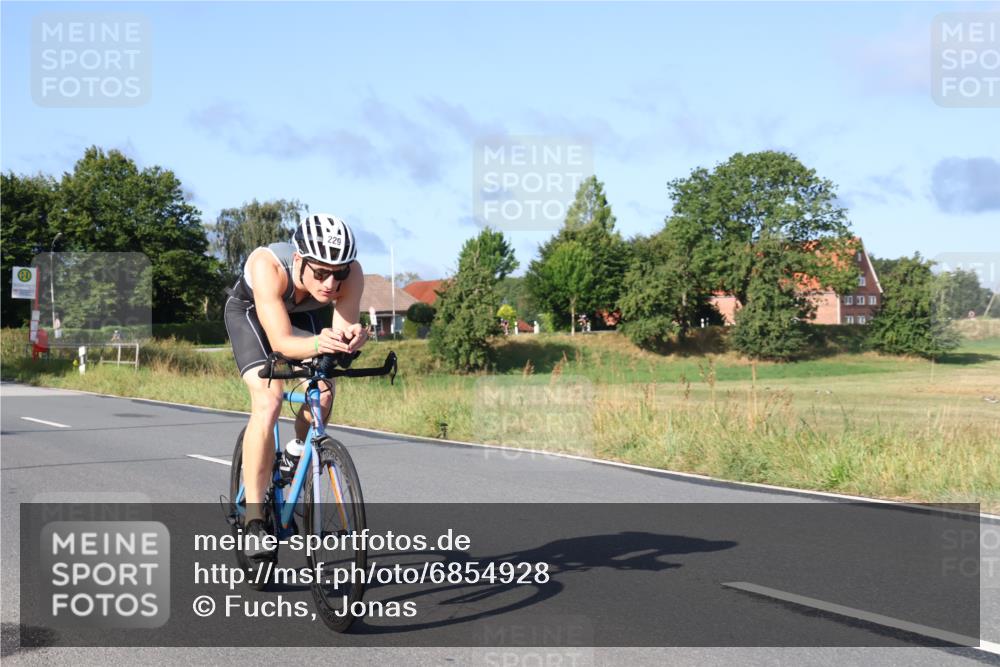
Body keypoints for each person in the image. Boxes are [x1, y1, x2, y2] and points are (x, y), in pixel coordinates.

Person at [224, 213, 368, 558]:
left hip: (300, 315)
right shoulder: (267, 266)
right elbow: (283, 342)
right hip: (252, 316)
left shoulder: (352, 273)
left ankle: (297, 451)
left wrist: (353, 339)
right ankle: (255, 521)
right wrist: (323, 343)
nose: (331, 284)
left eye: (339, 273)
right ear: (300, 260)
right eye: (321, 273)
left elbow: (342, 328)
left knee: (324, 390)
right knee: (269, 398)